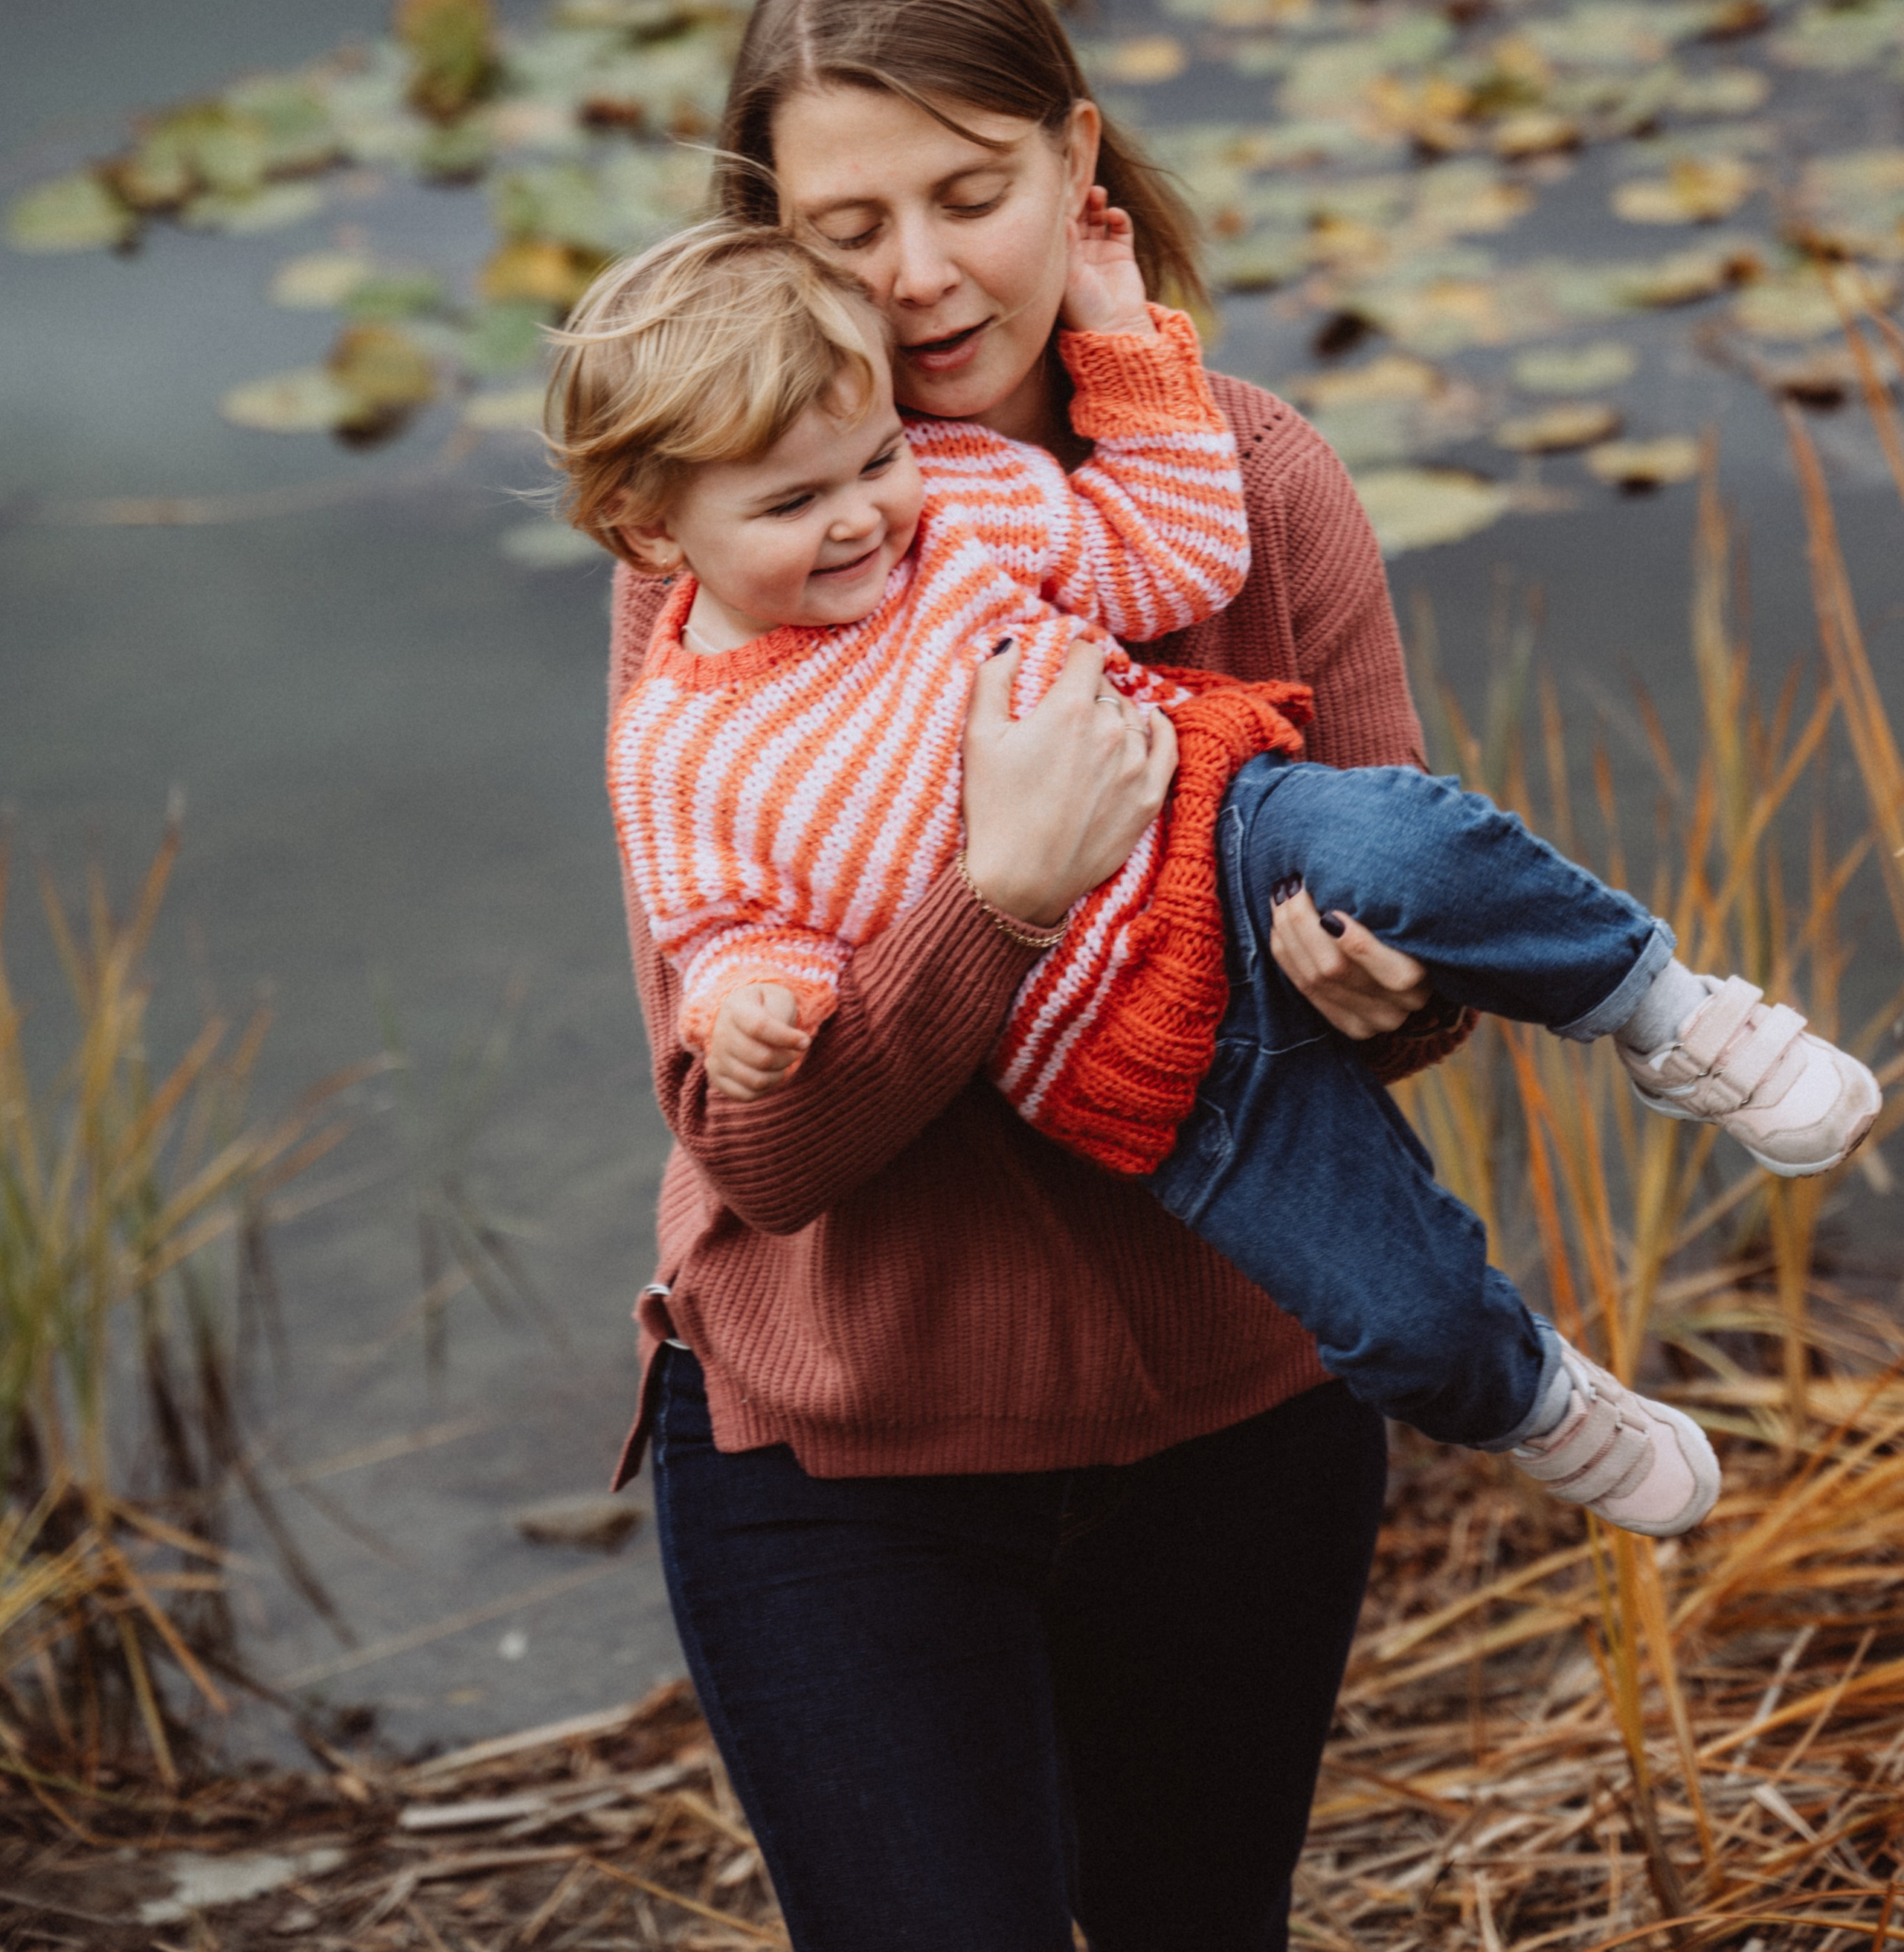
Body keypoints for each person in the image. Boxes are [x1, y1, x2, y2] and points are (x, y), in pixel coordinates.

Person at [573, 0, 1551, 1951]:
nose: (922, 275)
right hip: (850, 1444)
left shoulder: (1258, 479)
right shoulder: (732, 543)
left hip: (1240, 1421)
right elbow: (762, 1147)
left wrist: (1390, 1002)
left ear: (1074, 161)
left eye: (970, 190)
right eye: (849, 222)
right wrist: (995, 907)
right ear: (768, 228)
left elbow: (1412, 974)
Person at [555, 206, 1873, 1543]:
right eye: (794, 502)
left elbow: (1169, 549)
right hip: (1127, 1056)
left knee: (1411, 841)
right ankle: (1531, 1396)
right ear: (651, 532)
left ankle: (1663, 1011)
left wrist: (1121, 337)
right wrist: (756, 1007)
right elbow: (727, 923)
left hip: (1230, 833)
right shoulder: (681, 748)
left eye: (874, 458)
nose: (862, 519)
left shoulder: (955, 498)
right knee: (1395, 1309)